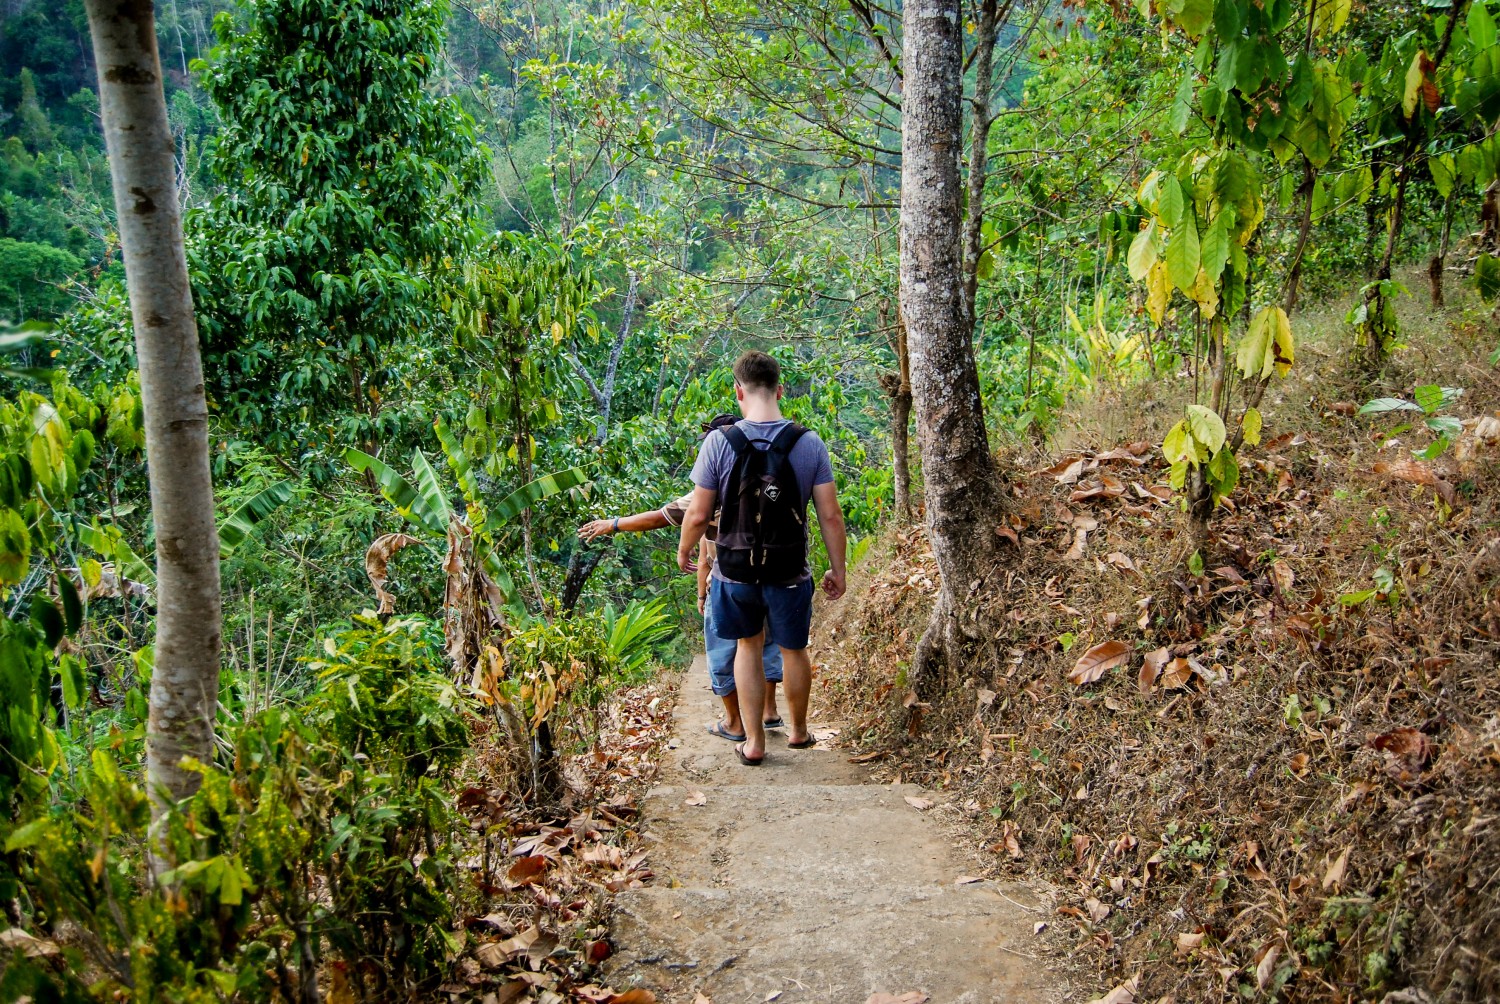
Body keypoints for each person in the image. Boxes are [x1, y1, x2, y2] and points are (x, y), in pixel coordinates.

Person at [677, 350, 846, 766]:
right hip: (789, 569)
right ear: (780, 389)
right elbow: (829, 514)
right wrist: (838, 570)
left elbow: (698, 514)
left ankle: (753, 743)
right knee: (794, 648)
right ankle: (799, 731)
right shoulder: (808, 443)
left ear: (738, 391)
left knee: (747, 647)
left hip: (734, 572)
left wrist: (684, 550)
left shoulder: (719, 442)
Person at [576, 415, 786, 742]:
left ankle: (735, 722)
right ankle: (770, 711)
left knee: (722, 651)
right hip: (774, 574)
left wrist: (616, 524)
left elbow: (663, 517)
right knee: (767, 643)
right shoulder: (775, 475)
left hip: (731, 579)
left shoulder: (712, 489)